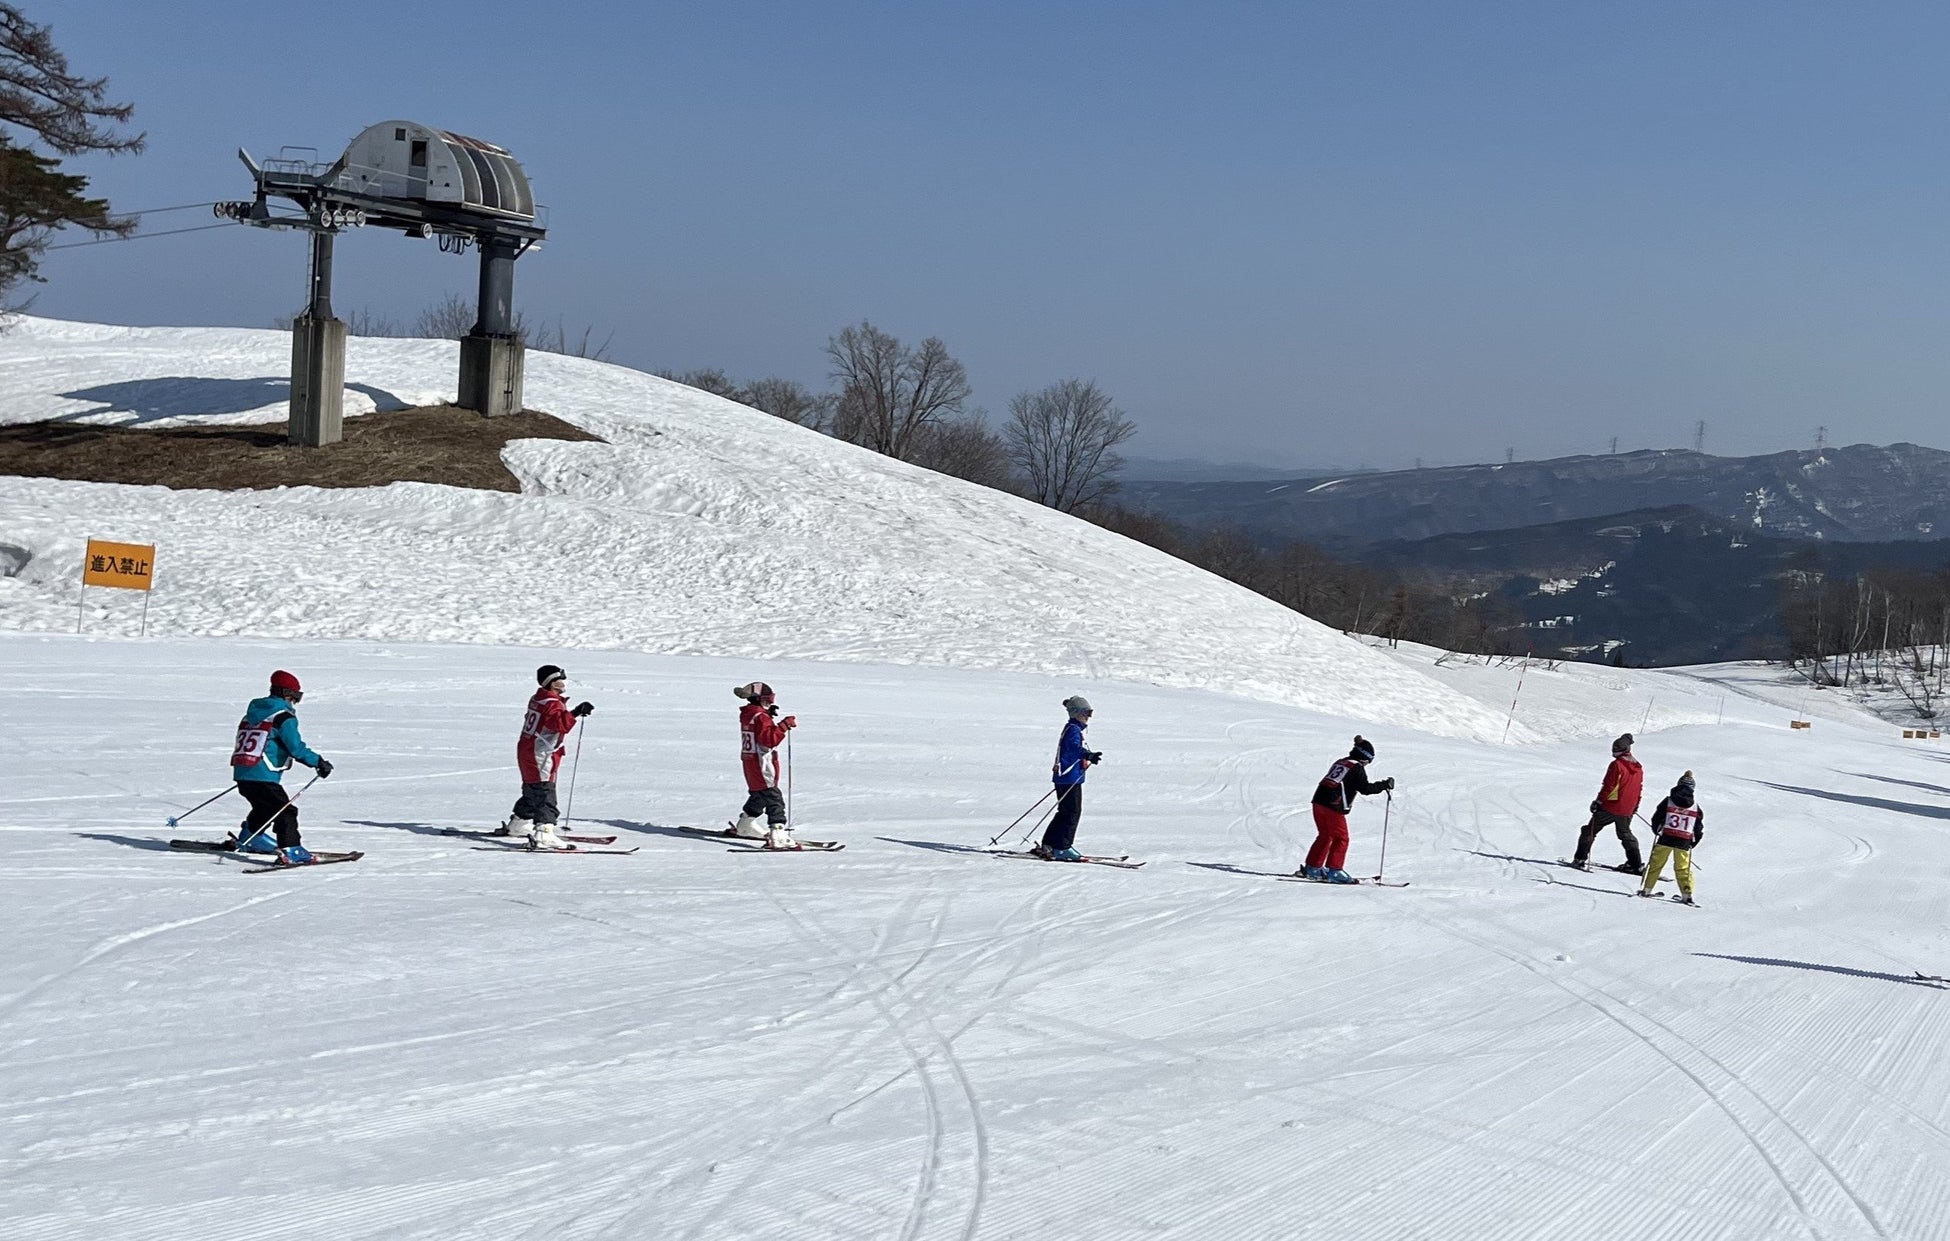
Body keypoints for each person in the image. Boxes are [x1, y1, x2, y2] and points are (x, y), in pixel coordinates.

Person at [231, 669, 333, 866]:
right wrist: (318, 762)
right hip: (263, 774)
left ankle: (250, 837)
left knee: (265, 807)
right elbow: (295, 747)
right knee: (285, 811)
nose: (294, 702)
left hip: (243, 773)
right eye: (295, 697)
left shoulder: (252, 714)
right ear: (287, 694)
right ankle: (291, 849)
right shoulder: (282, 717)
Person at [503, 665, 593, 851]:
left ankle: (519, 823)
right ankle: (544, 831)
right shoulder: (551, 702)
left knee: (532, 787)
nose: (564, 682)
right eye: (561, 678)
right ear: (551, 682)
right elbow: (557, 724)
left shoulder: (540, 698)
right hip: (540, 752)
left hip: (528, 748)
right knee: (544, 790)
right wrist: (575, 713)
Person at [1302, 735, 1393, 883]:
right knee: (1341, 838)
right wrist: (1384, 785)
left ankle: (1313, 867)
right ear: (1365, 757)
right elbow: (1365, 788)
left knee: (1325, 835)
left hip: (1318, 801)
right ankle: (1335, 871)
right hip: (1333, 805)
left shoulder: (1342, 762)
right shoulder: (1356, 767)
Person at [1035, 696, 1102, 862]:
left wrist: (1086, 757)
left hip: (1064, 777)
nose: (1088, 716)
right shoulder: (1073, 729)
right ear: (1076, 713)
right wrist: (1088, 755)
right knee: (1072, 812)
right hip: (1069, 777)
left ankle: (1049, 843)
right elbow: (1073, 748)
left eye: (1090, 713)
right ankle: (1062, 847)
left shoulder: (1073, 728)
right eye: (1086, 712)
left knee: (1064, 812)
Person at [732, 682, 798, 849]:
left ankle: (746, 824)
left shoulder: (750, 714)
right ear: (759, 699)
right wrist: (783, 726)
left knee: (759, 794)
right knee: (772, 796)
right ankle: (778, 833)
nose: (770, 702)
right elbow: (769, 740)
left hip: (750, 762)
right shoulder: (760, 717)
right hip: (762, 763)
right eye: (767, 699)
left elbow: (758, 730)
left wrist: (767, 716)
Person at [1570, 733, 1645, 873]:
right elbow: (1638, 788)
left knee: (1590, 830)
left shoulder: (1617, 765)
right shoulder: (1638, 767)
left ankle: (1580, 858)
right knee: (1625, 834)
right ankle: (1636, 864)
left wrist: (1598, 802)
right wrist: (1635, 805)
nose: (1613, 752)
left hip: (1611, 806)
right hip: (1627, 808)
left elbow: (1609, 786)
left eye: (1615, 749)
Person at [1639, 771, 1704, 905]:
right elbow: (1698, 828)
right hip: (1684, 840)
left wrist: (1656, 830)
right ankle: (1687, 894)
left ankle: (1647, 889)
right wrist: (1694, 842)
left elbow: (1657, 817)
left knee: (1656, 864)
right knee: (1683, 868)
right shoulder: (1695, 807)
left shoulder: (1668, 801)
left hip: (1666, 837)